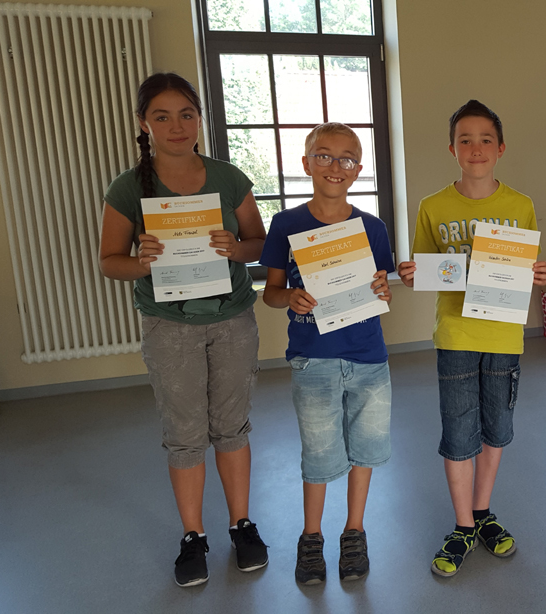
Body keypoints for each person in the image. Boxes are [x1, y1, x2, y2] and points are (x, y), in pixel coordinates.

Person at [99, 72, 268, 586]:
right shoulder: (128, 187)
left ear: (199, 119)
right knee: (185, 434)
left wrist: (236, 249)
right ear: (143, 124)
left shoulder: (228, 177)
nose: (176, 126)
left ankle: (242, 525)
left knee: (232, 427)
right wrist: (142, 262)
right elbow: (109, 261)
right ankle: (193, 536)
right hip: (169, 326)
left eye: (186, 114)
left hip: (232, 319)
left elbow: (259, 243)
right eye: (162, 116)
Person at [397, 100, 546, 577]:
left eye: (486, 139)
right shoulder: (433, 206)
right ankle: (463, 525)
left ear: (501, 148)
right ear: (452, 149)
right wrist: (411, 275)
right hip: (456, 333)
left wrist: (538, 273)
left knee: (497, 430)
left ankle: (482, 512)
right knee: (459, 432)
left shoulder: (521, 205)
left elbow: (527, 268)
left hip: (505, 335)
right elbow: (424, 271)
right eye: (465, 140)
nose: (476, 148)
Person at [261, 123, 394, 585]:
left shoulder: (373, 228)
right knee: (317, 452)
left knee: (365, 449)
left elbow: (381, 288)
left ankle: (354, 532)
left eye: (346, 159)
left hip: (368, 357)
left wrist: (383, 291)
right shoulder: (286, 224)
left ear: (358, 169)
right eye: (324, 156)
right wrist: (289, 297)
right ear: (306, 163)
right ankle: (311, 536)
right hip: (312, 357)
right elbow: (271, 293)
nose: (335, 166)